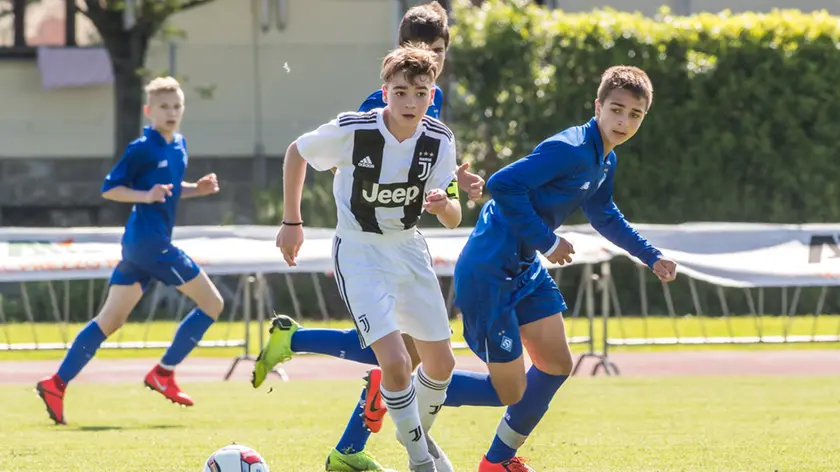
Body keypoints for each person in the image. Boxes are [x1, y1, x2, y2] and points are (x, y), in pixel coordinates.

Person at [251, 3, 481, 471]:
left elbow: (453, 212)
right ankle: (417, 458)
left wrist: (447, 200)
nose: (412, 99)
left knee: (439, 366)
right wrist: (291, 222)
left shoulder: (439, 134)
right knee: (394, 363)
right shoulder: (363, 121)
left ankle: (405, 437)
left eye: (424, 83)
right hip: (360, 250)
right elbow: (302, 151)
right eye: (401, 91)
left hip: (410, 249)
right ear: (387, 89)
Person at [445, 65, 679, 471]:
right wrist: (548, 241)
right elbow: (502, 185)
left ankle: (497, 461)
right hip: (488, 271)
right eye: (616, 110)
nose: (623, 121)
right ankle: (401, 388)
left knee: (556, 365)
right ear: (598, 106)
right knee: (509, 389)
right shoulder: (571, 149)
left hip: (523, 269)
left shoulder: (604, 159)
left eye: (634, 115)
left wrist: (650, 255)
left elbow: (604, 214)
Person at [35, 77, 226, 425]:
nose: (171, 112)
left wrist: (195, 190)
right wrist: (145, 196)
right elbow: (110, 189)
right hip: (151, 245)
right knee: (213, 304)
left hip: (140, 247)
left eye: (176, 106)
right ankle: (163, 373)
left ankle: (56, 383)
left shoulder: (179, 144)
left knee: (109, 321)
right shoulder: (141, 147)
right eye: (164, 107)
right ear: (148, 111)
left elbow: (166, 189)